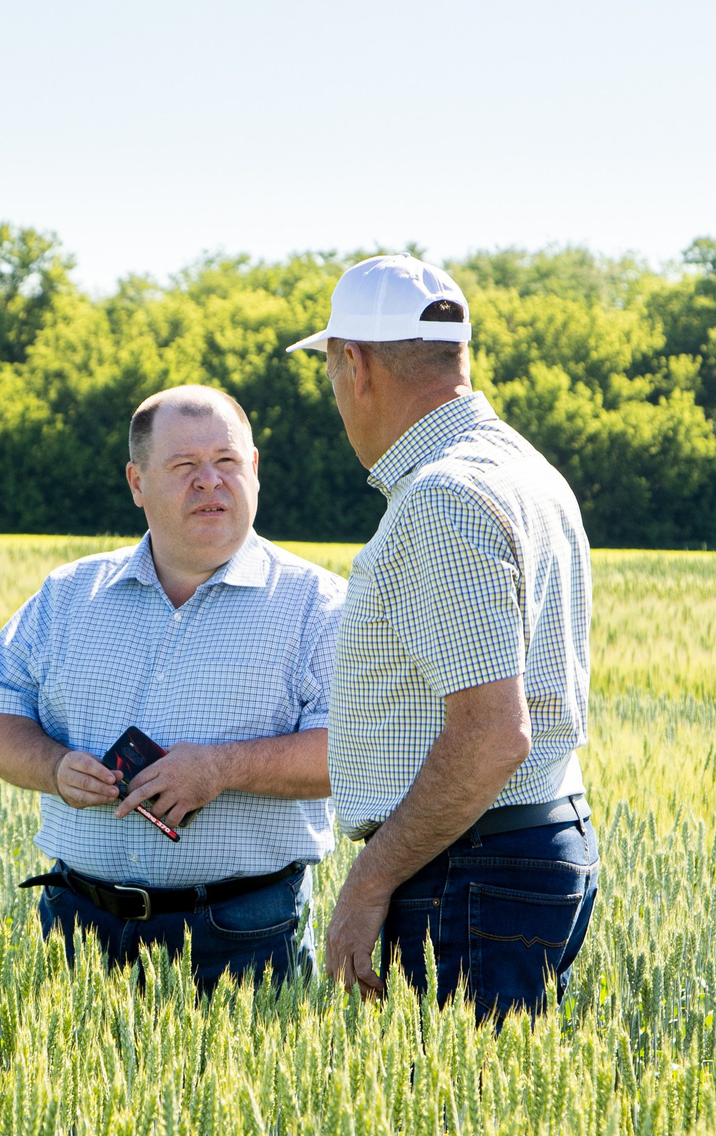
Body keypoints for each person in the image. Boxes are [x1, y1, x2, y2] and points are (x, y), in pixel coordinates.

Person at [289, 256, 599, 1020]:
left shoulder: (443, 497)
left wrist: (369, 881)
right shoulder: (524, 469)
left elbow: (493, 733)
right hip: (520, 849)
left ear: (355, 365)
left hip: (467, 869)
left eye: (330, 371)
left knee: (460, 1129)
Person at [0, 384, 344, 991]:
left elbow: (353, 752)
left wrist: (222, 768)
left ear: (253, 468)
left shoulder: (319, 607)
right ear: (137, 482)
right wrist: (55, 768)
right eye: (183, 466)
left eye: (226, 462)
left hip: (243, 935)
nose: (209, 482)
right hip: (76, 928)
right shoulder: (68, 596)